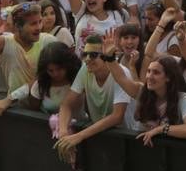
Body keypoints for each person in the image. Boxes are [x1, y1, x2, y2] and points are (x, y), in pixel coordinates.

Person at [54, 33, 130, 163]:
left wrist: (79, 136)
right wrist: (63, 133)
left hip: (126, 138)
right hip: (98, 134)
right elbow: (66, 104)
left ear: (107, 56)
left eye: (93, 55)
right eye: (85, 54)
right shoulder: (85, 69)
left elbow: (117, 116)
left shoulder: (122, 73)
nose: (87, 59)